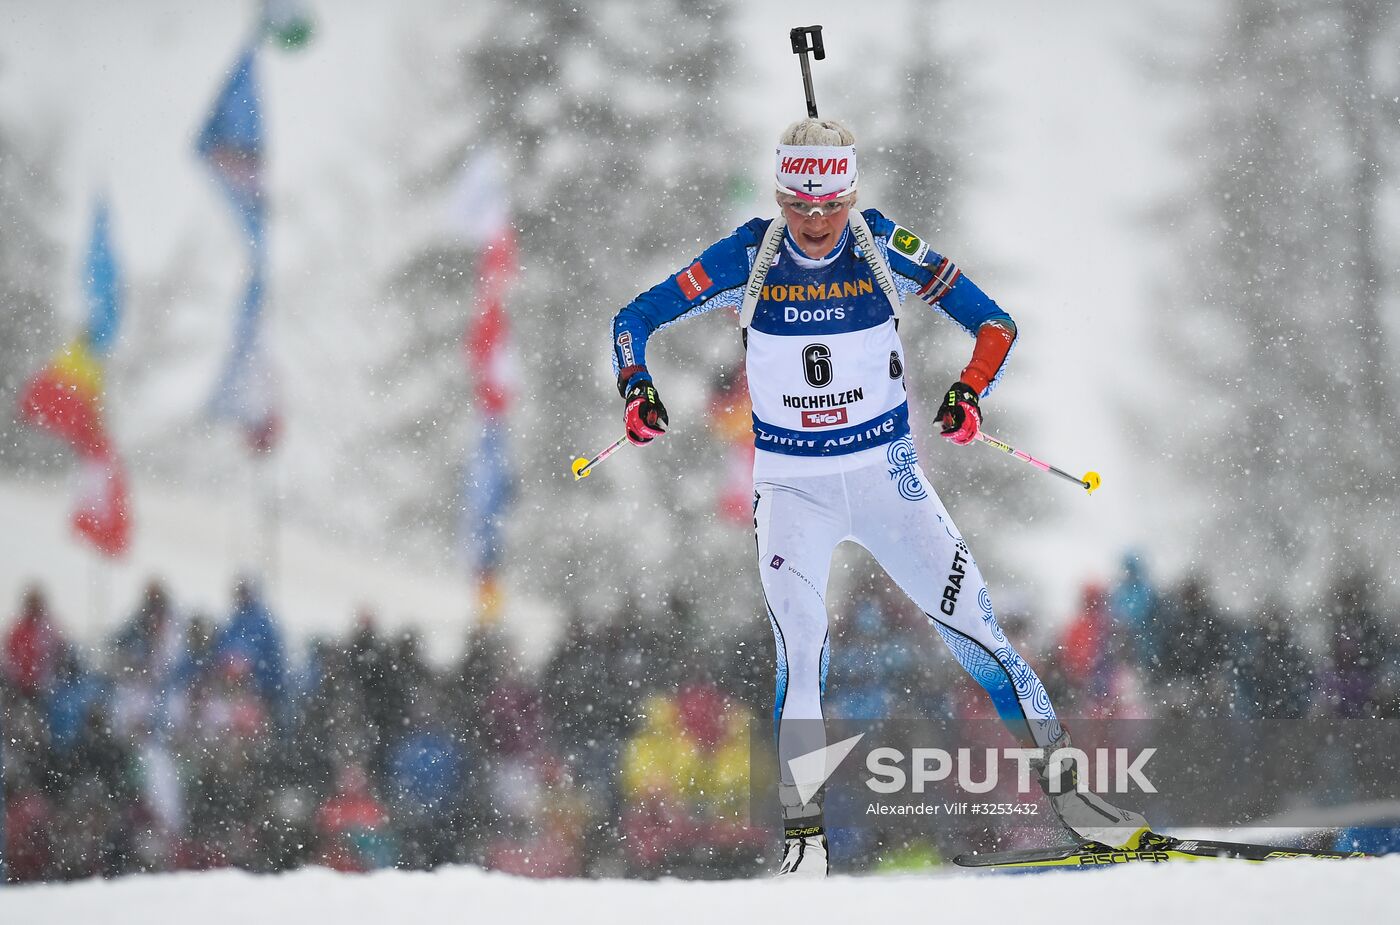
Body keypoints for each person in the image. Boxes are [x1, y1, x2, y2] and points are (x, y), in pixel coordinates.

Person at [610, 117, 1148, 876]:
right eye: (800, 206)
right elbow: (633, 319)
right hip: (793, 487)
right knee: (800, 646)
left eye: (831, 205)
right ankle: (803, 840)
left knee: (983, 637)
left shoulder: (880, 245)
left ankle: (1076, 803)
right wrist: (638, 390)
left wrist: (969, 392)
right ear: (779, 195)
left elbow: (993, 323)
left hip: (887, 481)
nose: (817, 224)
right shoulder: (749, 254)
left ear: (852, 194)